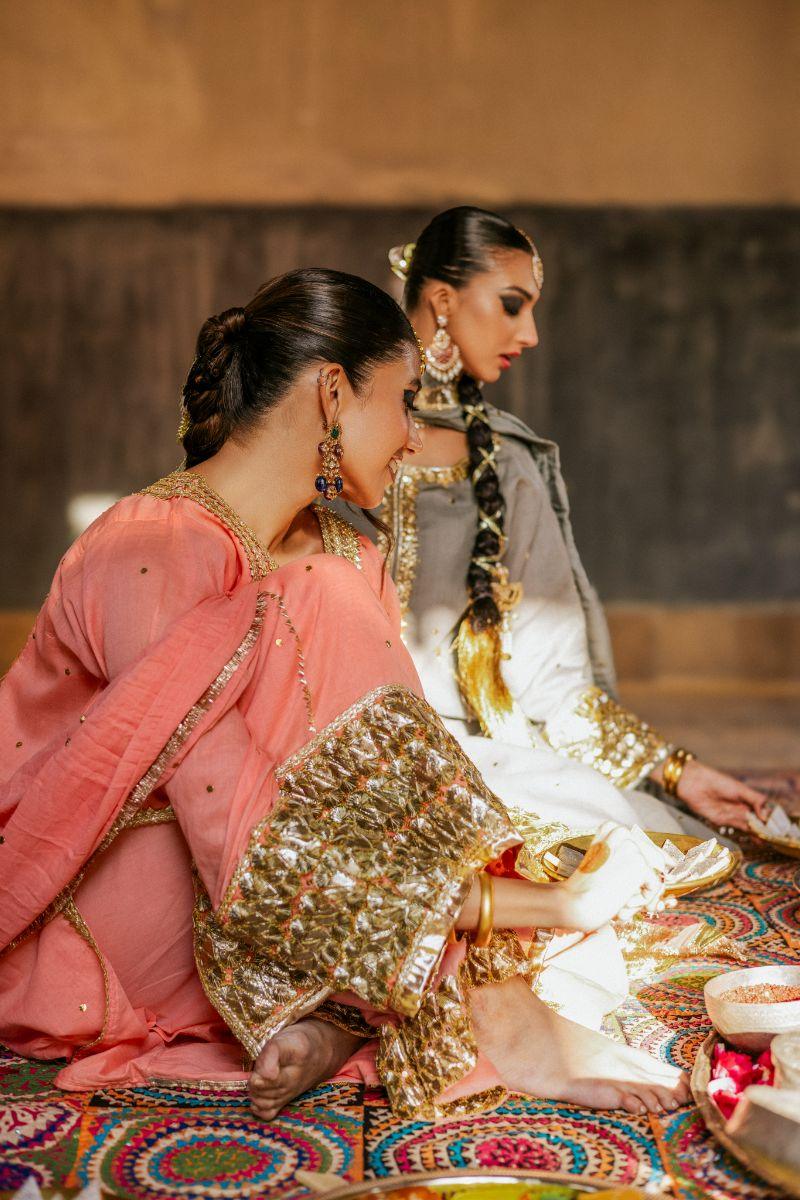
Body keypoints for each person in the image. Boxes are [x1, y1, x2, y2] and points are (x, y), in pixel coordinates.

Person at [0, 268, 689, 1123]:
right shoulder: (150, 550)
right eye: (404, 401)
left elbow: (379, 795)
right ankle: (484, 1011)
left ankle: (337, 1016)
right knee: (322, 604)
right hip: (101, 909)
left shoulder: (348, 550)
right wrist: (524, 906)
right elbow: (232, 829)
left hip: (262, 887)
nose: (412, 436)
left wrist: (500, 889)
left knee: (510, 823)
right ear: (332, 394)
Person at [348, 206, 768, 840]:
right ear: (443, 300)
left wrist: (677, 772)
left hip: (466, 757)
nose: (531, 334)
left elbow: (553, 683)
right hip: (329, 743)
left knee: (607, 833)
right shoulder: (331, 437)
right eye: (512, 305)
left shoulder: (508, 466)